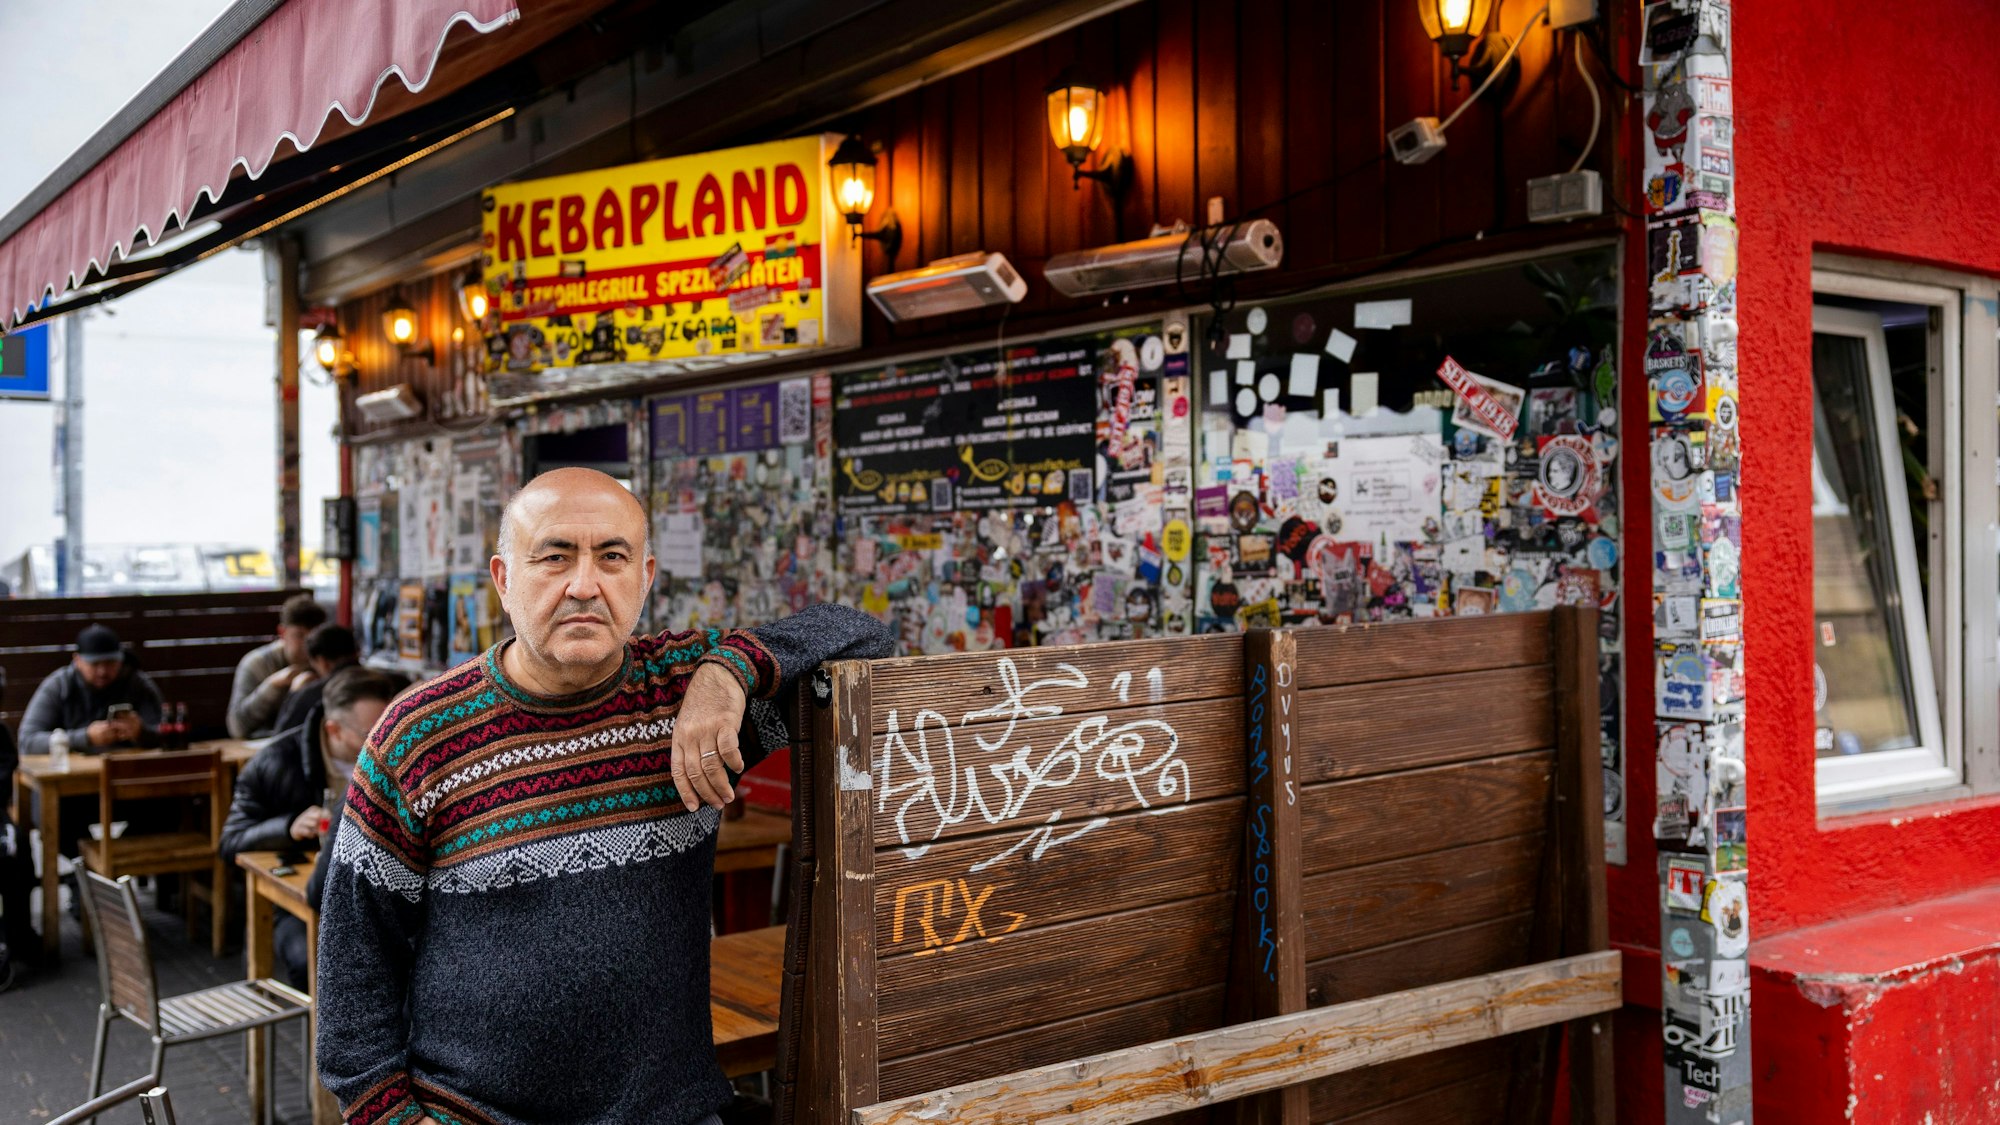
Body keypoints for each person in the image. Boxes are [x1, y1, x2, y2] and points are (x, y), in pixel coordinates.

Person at [317, 468, 894, 1125]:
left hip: (669, 1111)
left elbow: (867, 637)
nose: (585, 584)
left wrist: (726, 672)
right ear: (505, 578)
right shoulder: (417, 737)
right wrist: (392, 1118)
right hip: (472, 1113)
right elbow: (353, 972)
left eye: (612, 557)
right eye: (555, 556)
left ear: (645, 577)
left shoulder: (687, 702)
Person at [223, 664, 399, 989]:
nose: (382, 743)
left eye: (386, 730)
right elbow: (230, 841)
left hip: (379, 891)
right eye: (369, 734)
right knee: (313, 960)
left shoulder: (395, 756)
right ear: (333, 729)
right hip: (296, 900)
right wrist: (287, 827)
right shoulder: (275, 761)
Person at [18, 624, 163, 757]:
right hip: (71, 777)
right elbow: (27, 742)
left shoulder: (137, 684)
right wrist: (85, 738)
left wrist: (141, 732)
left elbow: (168, 734)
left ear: (121, 660)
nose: (103, 671)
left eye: (110, 663)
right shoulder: (59, 686)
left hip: (128, 772)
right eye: (95, 664)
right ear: (77, 660)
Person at [227, 593, 328, 738]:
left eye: (314, 636)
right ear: (282, 633)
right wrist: (273, 685)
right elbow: (237, 728)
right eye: (299, 635)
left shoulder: (326, 661)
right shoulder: (257, 663)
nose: (308, 644)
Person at [270, 623, 361, 736]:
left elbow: (281, 737)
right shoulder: (384, 683)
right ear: (357, 653)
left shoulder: (313, 694)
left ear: (322, 662)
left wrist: (294, 693)